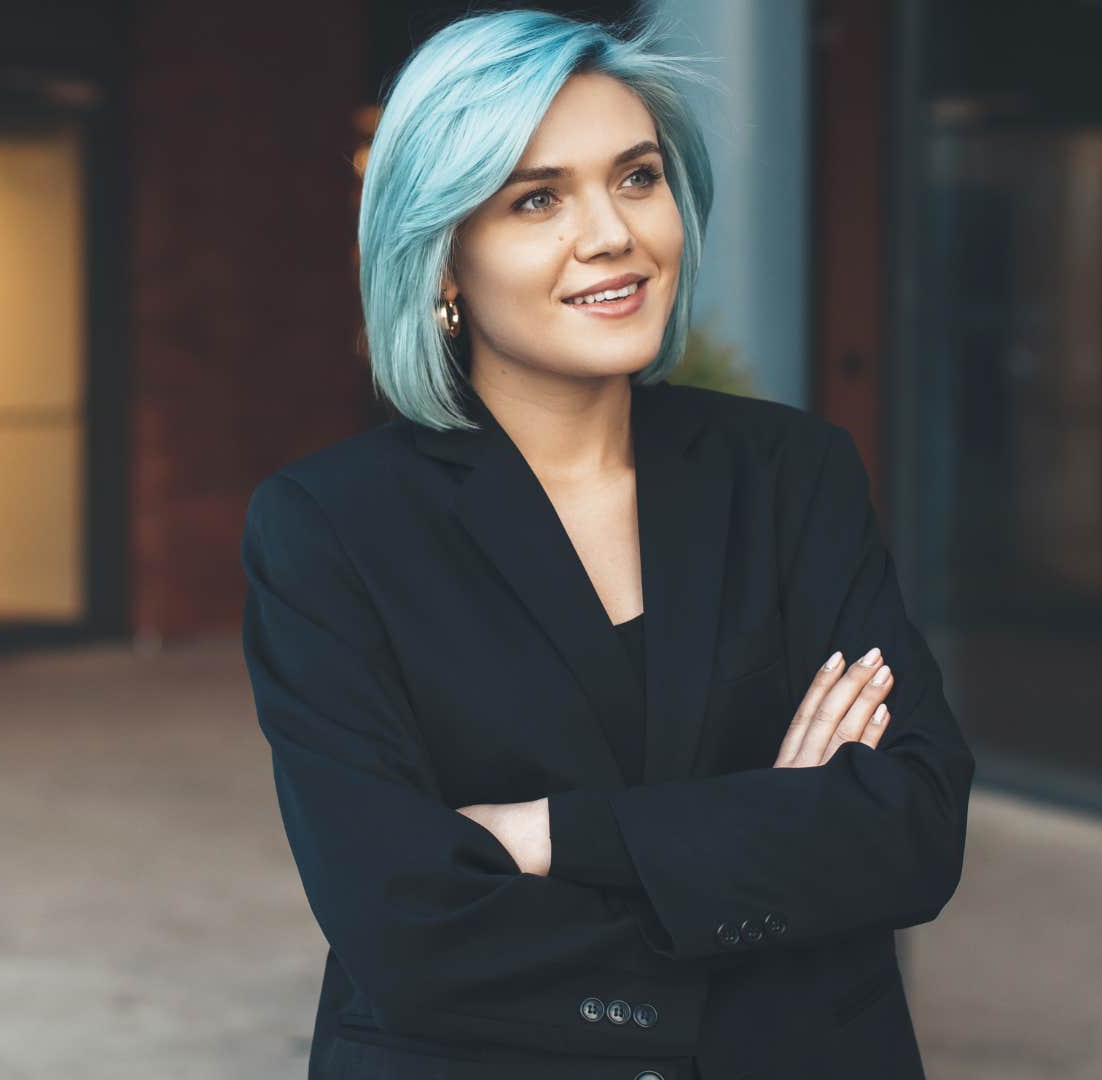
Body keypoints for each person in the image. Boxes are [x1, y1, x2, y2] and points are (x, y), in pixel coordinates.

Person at [239, 9, 974, 1079]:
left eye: (636, 177)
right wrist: (768, 830)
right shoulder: (330, 529)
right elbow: (406, 926)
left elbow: (911, 832)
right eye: (538, 199)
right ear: (442, 257)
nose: (614, 234)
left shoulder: (788, 474)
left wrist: (550, 837)